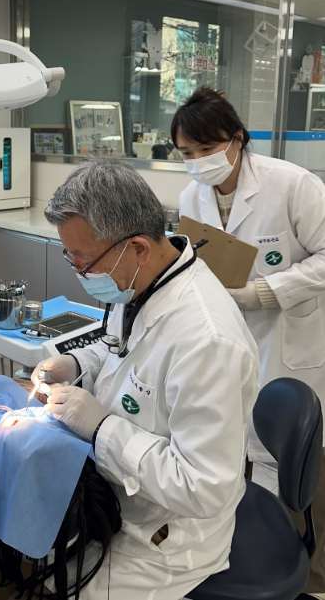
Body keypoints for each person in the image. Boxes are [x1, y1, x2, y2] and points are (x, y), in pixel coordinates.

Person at [31, 158, 259, 600]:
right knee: (36, 547)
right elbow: (122, 349)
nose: (77, 270)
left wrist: (102, 429)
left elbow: (203, 487)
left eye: (83, 260)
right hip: (122, 496)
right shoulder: (142, 279)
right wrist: (76, 364)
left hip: (167, 536)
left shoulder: (208, 341)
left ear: (136, 247)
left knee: (64, 586)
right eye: (69, 255)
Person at [172, 86, 325, 596]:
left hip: (291, 335)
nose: (198, 162)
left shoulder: (292, 184)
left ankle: (310, 576)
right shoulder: (192, 197)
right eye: (187, 153)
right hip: (232, 337)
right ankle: (244, 548)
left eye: (207, 148)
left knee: (299, 455)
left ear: (237, 139)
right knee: (239, 445)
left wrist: (264, 292)